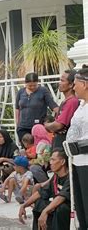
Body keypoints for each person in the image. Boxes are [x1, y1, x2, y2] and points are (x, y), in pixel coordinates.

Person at [18, 149, 70, 229]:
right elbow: (41, 192)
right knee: (39, 203)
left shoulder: (71, 177)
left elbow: (61, 197)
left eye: (53, 160)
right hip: (58, 207)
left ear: (62, 162)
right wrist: (24, 205)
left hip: (69, 210)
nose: (50, 162)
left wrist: (45, 211)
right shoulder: (56, 176)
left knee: (60, 208)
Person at [65, 66, 88, 230]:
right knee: (79, 206)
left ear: (85, 84)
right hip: (76, 162)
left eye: (76, 84)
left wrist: (78, 146)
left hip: (86, 162)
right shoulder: (81, 105)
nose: (73, 87)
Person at [15, 73, 59, 141]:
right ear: (25, 83)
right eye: (30, 86)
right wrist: (17, 124)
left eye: (34, 85)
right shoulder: (21, 92)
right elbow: (17, 108)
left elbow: (52, 104)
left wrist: (62, 113)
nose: (32, 87)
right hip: (23, 127)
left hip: (38, 127)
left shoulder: (43, 91)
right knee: (27, 149)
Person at [45, 70, 79, 149]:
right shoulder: (66, 100)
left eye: (62, 80)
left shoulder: (72, 102)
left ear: (71, 85)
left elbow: (58, 125)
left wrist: (46, 126)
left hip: (63, 141)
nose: (59, 83)